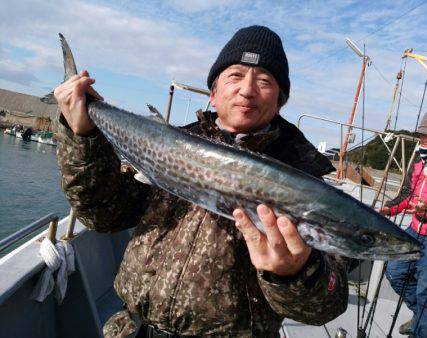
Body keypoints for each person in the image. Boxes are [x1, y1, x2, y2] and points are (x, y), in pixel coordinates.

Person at [54, 25, 348, 337]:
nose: (247, 89)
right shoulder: (168, 146)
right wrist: (82, 135)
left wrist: (295, 273)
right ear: (213, 93)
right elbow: (102, 213)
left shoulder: (307, 182)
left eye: (264, 80)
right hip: (132, 329)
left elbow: (327, 305)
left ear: (280, 101)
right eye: (235, 75)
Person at [379, 111, 427, 338]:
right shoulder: (420, 159)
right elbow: (408, 193)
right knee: (395, 272)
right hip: (415, 229)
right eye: (421, 135)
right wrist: (387, 209)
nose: (422, 140)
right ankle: (422, 317)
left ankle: (424, 329)